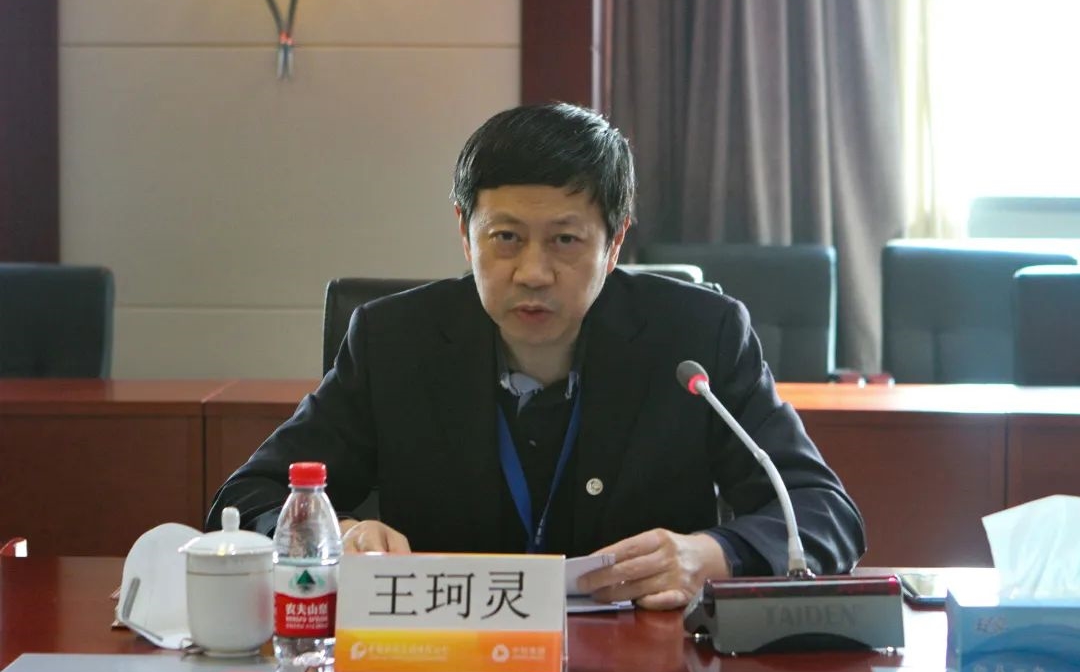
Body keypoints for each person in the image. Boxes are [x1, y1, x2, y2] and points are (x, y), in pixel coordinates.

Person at [207, 102, 865, 610]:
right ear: (464, 233)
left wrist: (711, 555)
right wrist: (338, 534)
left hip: (644, 669)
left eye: (565, 241)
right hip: (443, 667)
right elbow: (246, 499)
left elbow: (824, 513)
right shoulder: (394, 342)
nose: (533, 272)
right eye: (505, 237)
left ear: (615, 243)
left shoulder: (698, 337)